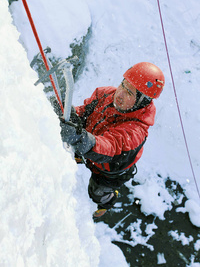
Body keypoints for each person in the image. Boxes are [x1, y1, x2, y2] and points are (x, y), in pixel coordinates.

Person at [59, 62, 165, 218]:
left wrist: (80, 139)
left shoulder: (136, 131)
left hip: (107, 171)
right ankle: (81, 156)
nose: (120, 93)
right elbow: (85, 112)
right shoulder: (106, 94)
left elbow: (110, 146)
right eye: (123, 84)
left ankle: (106, 203)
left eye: (129, 92)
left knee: (98, 192)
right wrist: (68, 112)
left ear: (142, 101)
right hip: (89, 147)